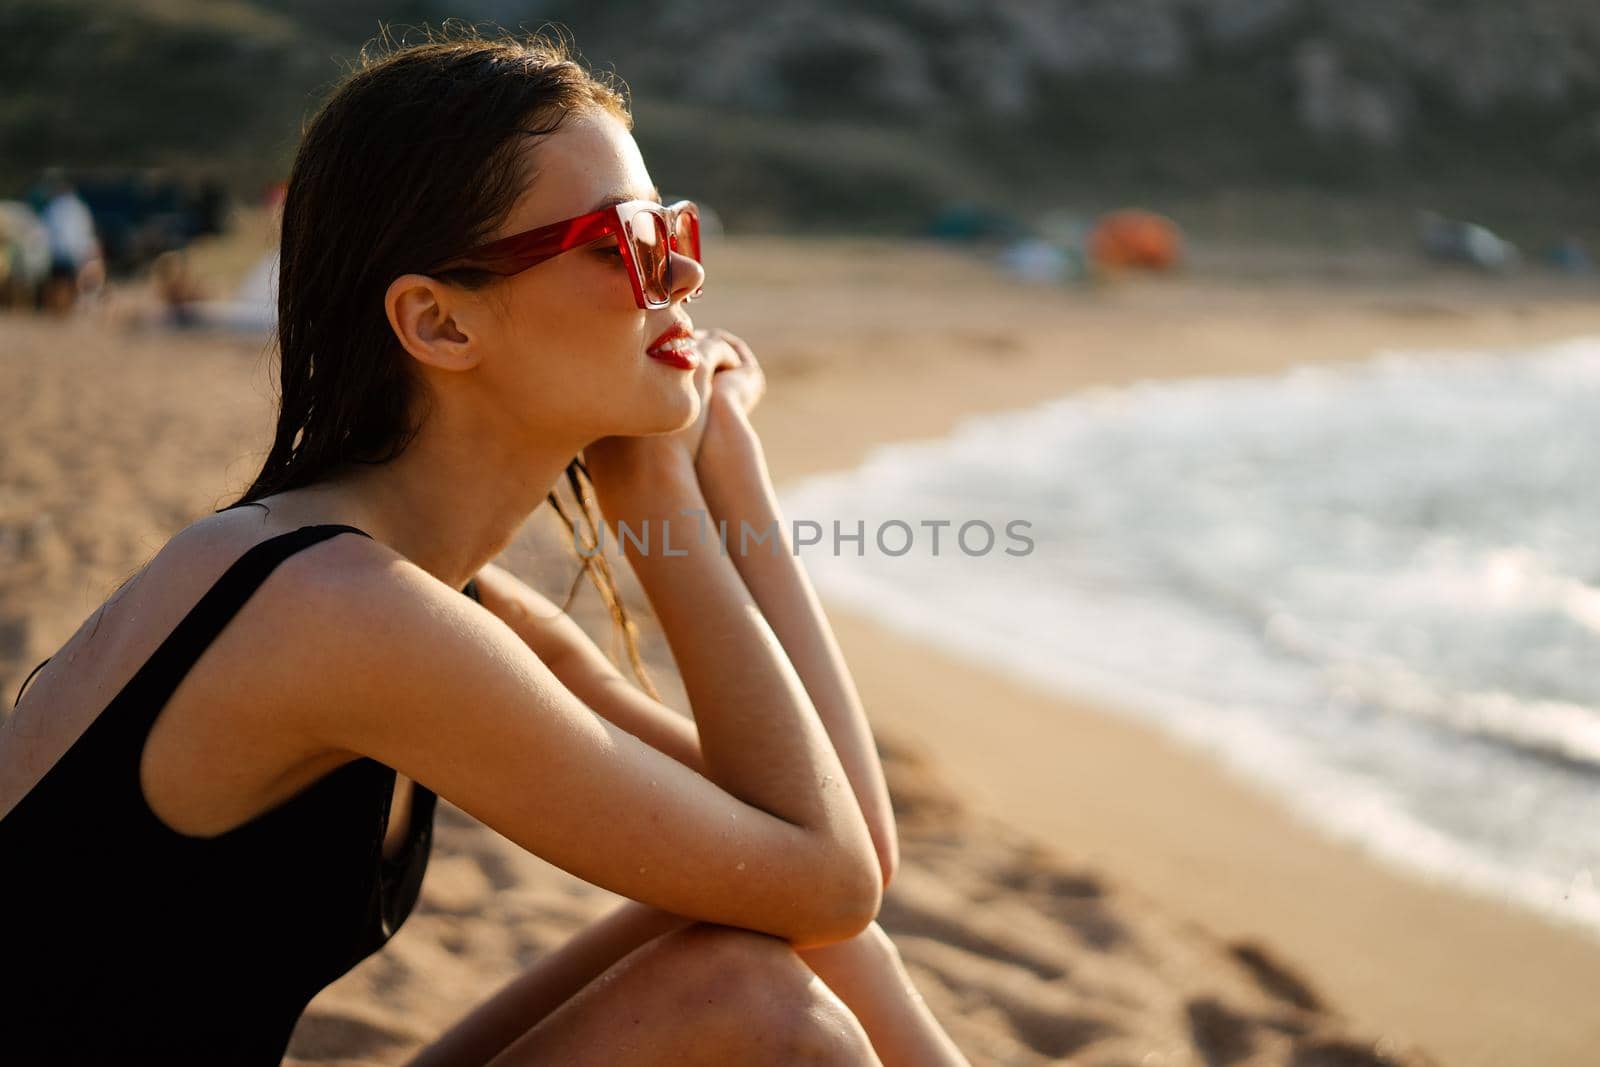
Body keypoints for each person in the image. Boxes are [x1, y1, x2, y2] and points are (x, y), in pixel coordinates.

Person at [0, 33, 970, 1067]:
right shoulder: (337, 606)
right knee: (769, 1012)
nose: (681, 271)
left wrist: (728, 465)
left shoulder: (429, 592)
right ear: (440, 324)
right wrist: (657, 491)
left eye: (677, 230)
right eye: (627, 240)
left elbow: (844, 856)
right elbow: (832, 872)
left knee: (775, 960)